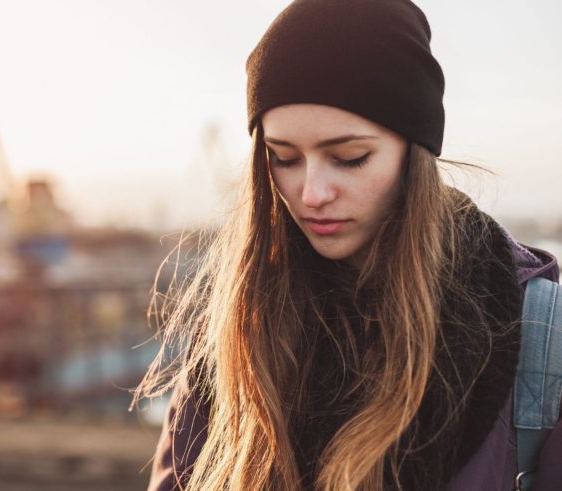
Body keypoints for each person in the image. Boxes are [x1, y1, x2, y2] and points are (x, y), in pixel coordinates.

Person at [133, 0, 561, 490]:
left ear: (414, 154)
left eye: (350, 158)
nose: (311, 194)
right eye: (284, 159)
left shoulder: (540, 340)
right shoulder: (237, 327)